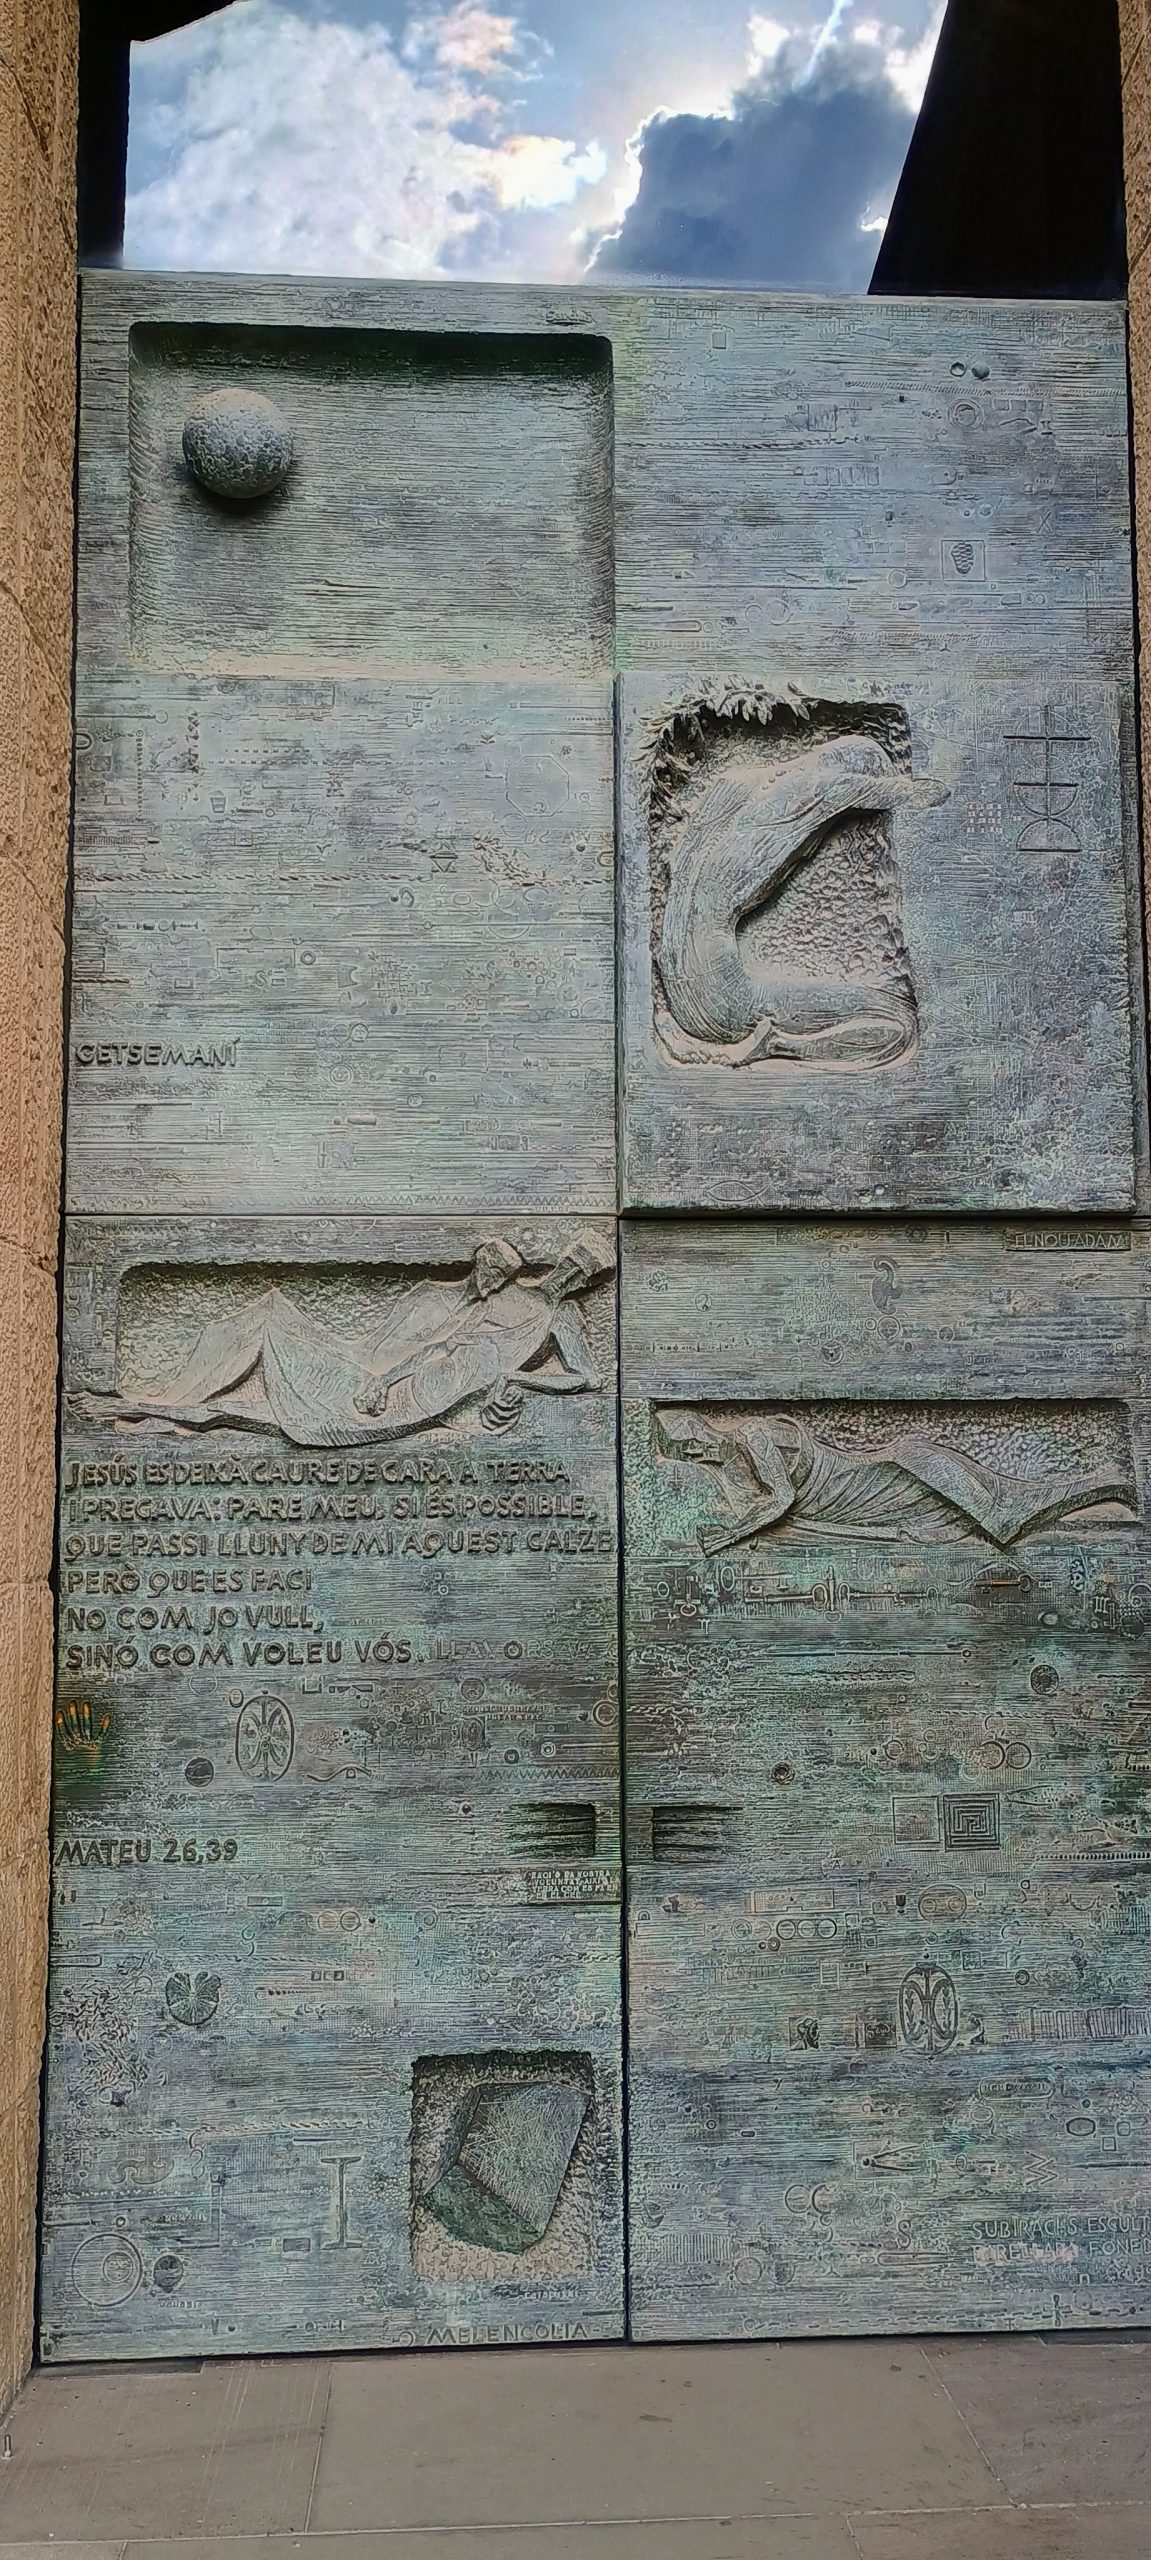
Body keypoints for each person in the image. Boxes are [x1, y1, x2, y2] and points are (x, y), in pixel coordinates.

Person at [86, 1232, 612, 1447]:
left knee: (263, 1401)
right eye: (571, 1261)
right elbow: (442, 1345)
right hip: (401, 1387)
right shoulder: (507, 1297)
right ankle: (154, 1406)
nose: (571, 1272)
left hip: (423, 1403)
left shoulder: (562, 1321)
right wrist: (382, 1380)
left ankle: (150, 1408)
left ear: (586, 1281)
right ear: (562, 1260)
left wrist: (520, 1379)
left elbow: (588, 1378)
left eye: (582, 1272)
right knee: (267, 1330)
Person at [656, 1408, 1136, 1554]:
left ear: (703, 1426)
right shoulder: (729, 1472)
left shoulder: (752, 1434)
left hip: (862, 1482)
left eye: (692, 1441)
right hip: (847, 1509)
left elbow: (782, 1497)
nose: (695, 1453)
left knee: (988, 1506)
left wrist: (727, 1536)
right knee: (979, 1513)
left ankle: (1099, 1483)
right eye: (685, 1453)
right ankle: (1098, 1484)